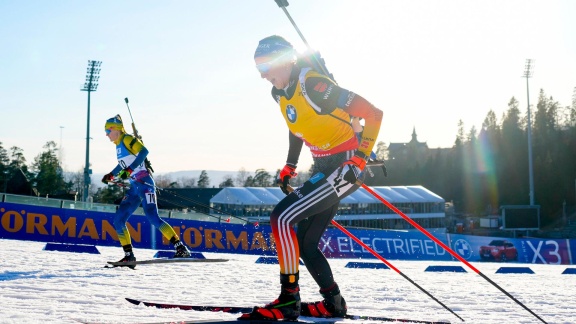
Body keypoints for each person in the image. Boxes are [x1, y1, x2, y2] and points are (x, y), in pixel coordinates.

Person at [241, 36, 383, 321]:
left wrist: (361, 157)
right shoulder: (279, 93)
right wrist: (290, 165)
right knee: (305, 242)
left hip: (344, 166)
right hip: (324, 166)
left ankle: (288, 299)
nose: (263, 75)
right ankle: (333, 302)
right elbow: (296, 125)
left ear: (285, 60)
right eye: (259, 69)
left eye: (267, 67)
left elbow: (373, 114)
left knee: (281, 218)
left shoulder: (315, 86)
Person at [102, 115, 191, 267]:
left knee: (152, 217)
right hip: (134, 188)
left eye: (107, 130)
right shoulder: (118, 146)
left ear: (116, 129)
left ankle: (180, 247)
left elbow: (144, 152)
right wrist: (111, 174)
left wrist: (129, 169)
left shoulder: (127, 139)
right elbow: (123, 165)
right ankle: (129, 256)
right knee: (118, 220)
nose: (106, 134)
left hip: (145, 184)